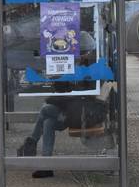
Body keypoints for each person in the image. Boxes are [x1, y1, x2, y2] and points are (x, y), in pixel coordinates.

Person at [17, 31, 106, 178]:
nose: (80, 55)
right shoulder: (71, 64)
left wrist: (65, 89)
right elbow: (63, 91)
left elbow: (83, 94)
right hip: (71, 111)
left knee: (45, 110)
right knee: (48, 122)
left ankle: (31, 143)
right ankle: (47, 165)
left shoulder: (93, 69)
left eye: (83, 52)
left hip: (83, 114)